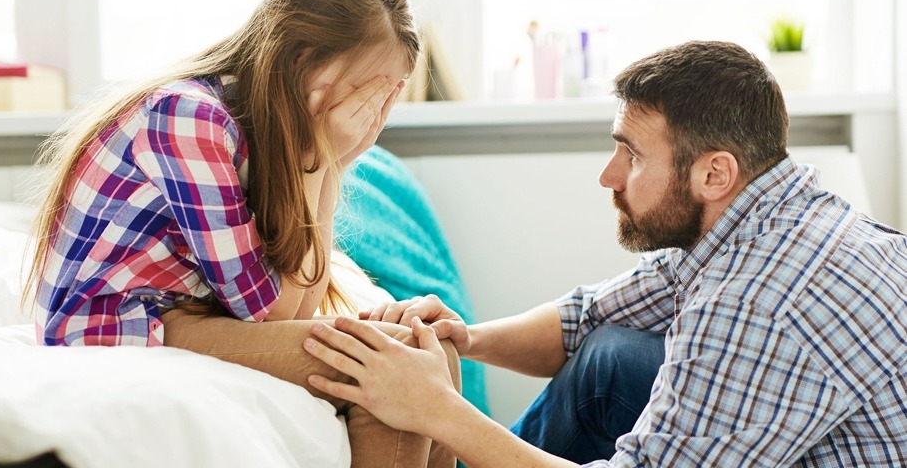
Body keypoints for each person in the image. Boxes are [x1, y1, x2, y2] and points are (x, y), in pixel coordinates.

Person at [303, 40, 907, 467]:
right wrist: (467, 338)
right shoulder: (773, 219)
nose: (609, 175)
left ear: (715, 172)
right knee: (610, 352)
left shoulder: (754, 306)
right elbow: (590, 315)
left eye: (633, 155)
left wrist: (437, 411)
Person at [23, 0, 459, 466]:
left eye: (388, 95)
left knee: (430, 352)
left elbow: (296, 303)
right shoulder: (189, 117)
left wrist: (332, 162)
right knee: (392, 366)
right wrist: (320, 159)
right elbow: (270, 313)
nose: (374, 113)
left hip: (185, 315)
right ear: (305, 60)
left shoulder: (259, 131)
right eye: (370, 89)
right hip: (121, 324)